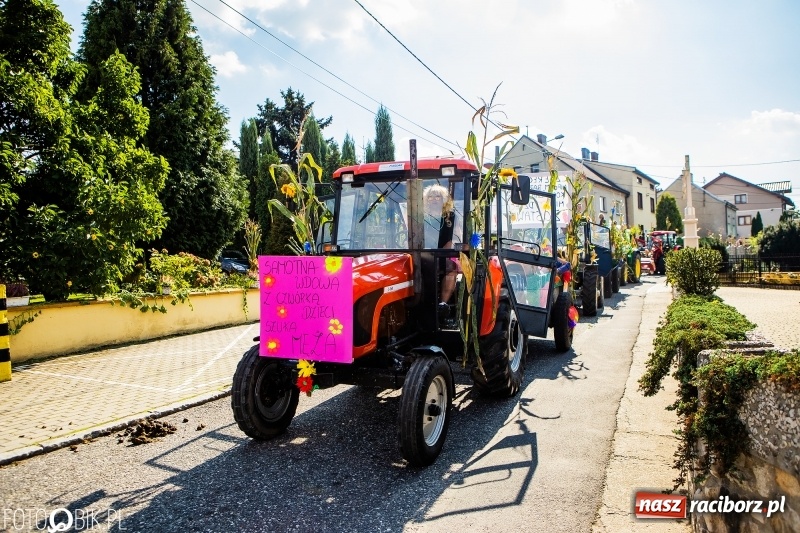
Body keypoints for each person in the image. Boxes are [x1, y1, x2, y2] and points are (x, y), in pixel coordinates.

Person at [423, 184, 460, 311]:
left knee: (451, 268)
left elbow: (448, 240)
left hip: (440, 253)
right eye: (431, 196)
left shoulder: (449, 216)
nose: (433, 199)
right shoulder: (422, 215)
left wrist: (438, 255)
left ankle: (442, 303)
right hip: (422, 251)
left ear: (443, 199)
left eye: (437, 196)